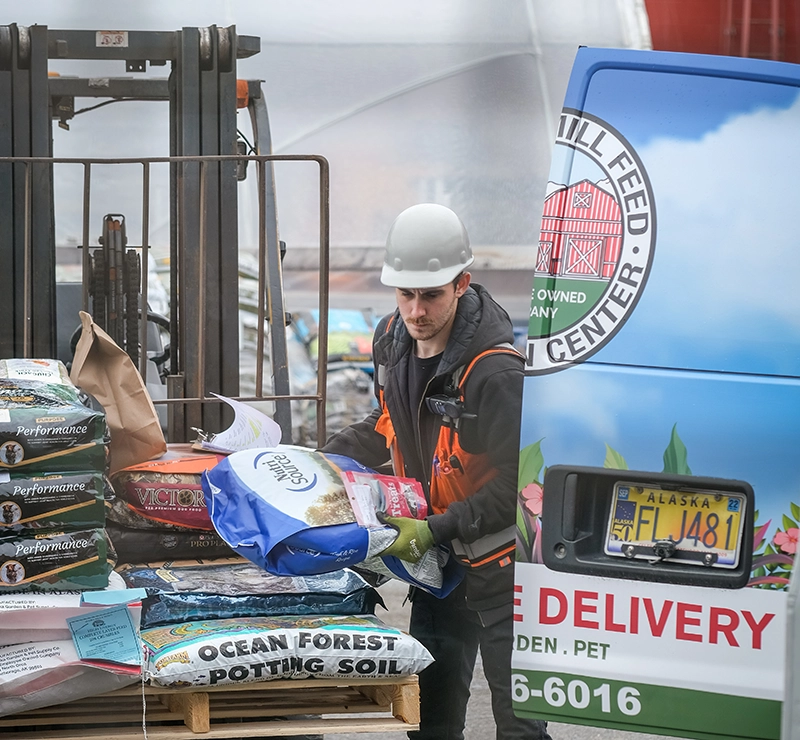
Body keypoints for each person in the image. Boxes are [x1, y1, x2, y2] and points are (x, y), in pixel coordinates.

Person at [321, 203, 551, 740]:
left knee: (519, 728)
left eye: (431, 295)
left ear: (462, 284)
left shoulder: (496, 374)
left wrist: (433, 528)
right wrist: (319, 461)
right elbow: (387, 423)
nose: (416, 310)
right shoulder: (391, 342)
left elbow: (516, 487)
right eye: (406, 294)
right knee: (431, 725)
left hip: (501, 574)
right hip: (439, 573)